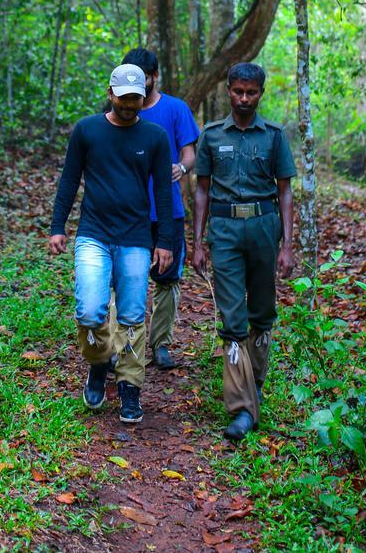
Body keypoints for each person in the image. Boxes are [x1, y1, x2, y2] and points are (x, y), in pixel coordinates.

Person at [49, 63, 173, 424]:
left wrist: (164, 240)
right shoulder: (88, 130)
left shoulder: (154, 137)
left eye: (136, 98)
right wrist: (58, 226)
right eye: (123, 98)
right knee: (90, 310)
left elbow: (163, 192)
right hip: (94, 234)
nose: (129, 104)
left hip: (135, 237)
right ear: (110, 93)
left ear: (142, 96)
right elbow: (70, 179)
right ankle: (100, 362)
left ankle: (130, 387)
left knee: (133, 315)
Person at [192, 62, 296, 441]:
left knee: (263, 312)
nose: (244, 98)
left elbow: (284, 190)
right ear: (229, 91)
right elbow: (201, 189)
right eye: (238, 91)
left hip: (264, 227)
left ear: (261, 94)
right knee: (233, 317)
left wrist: (287, 245)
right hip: (225, 231)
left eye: (251, 92)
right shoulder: (212, 135)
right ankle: (241, 408)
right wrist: (197, 242)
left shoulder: (273, 136)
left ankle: (257, 384)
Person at [119, 48, 200, 369]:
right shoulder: (122, 110)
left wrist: (182, 167)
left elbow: (190, 153)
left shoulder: (175, 109)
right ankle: (124, 345)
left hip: (168, 211)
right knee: (125, 279)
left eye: (143, 78)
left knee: (167, 279)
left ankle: (161, 344)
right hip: (128, 212)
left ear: (154, 76)